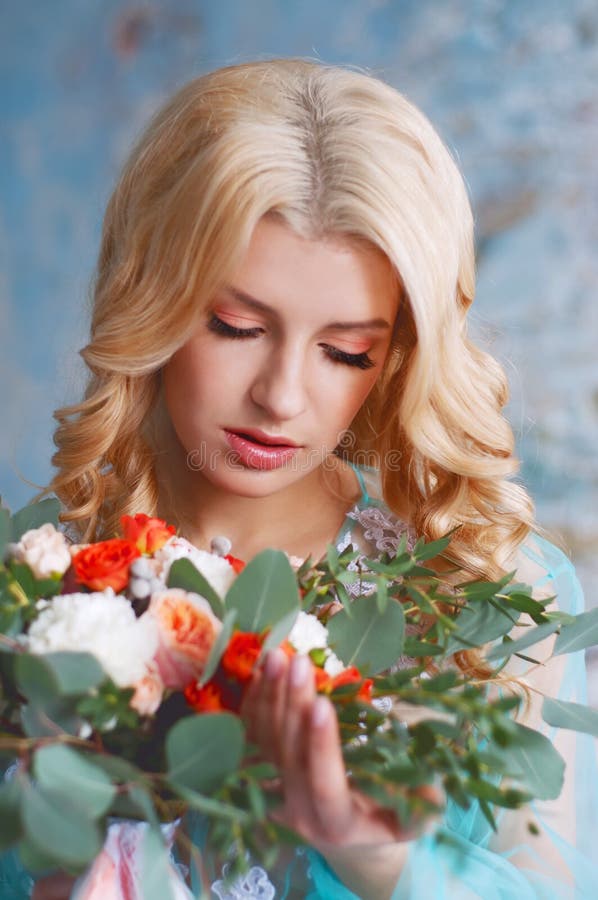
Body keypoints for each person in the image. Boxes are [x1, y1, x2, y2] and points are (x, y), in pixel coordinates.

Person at [2, 58, 597, 899]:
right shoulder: (30, 583)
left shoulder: (488, 589)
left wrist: (380, 860)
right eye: (236, 326)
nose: (280, 397)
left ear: (396, 355)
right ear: (149, 297)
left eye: (345, 350)